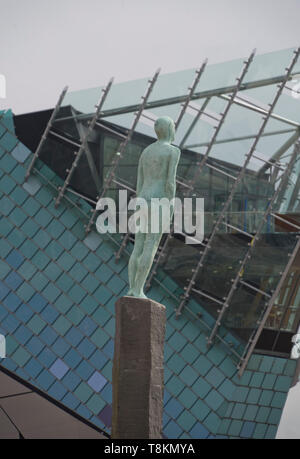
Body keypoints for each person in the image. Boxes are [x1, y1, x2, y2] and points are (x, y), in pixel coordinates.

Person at [127, 116, 180, 298]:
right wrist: (171, 203)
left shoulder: (146, 152)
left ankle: (131, 288)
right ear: (170, 129)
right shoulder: (173, 152)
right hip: (159, 200)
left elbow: (140, 183)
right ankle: (138, 289)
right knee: (151, 244)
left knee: (137, 246)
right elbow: (170, 182)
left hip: (142, 198)